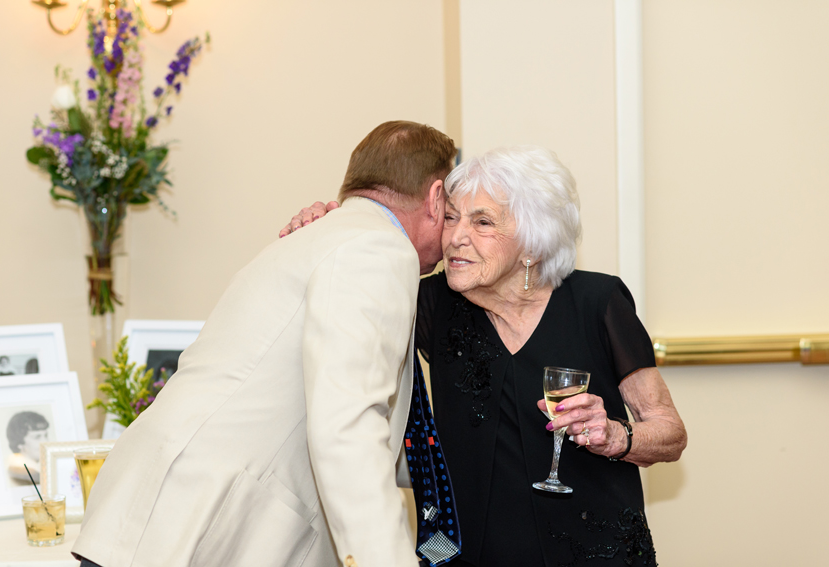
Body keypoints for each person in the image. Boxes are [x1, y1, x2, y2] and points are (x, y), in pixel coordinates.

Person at [72, 120, 456, 567]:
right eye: (452, 212)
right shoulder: (377, 250)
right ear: (434, 198)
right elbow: (347, 427)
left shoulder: (327, 238)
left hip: (156, 516)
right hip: (203, 527)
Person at [285, 146, 687, 566]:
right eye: (452, 217)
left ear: (533, 243)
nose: (456, 236)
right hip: (472, 553)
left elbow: (670, 433)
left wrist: (617, 436)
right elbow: (347, 292)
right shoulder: (432, 304)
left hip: (595, 551)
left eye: (483, 222)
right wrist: (330, 230)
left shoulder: (597, 302)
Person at [6, 411, 50, 482]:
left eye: (46, 435)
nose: (46, 442)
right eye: (37, 437)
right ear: (19, 443)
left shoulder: (45, 471)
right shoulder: (18, 476)